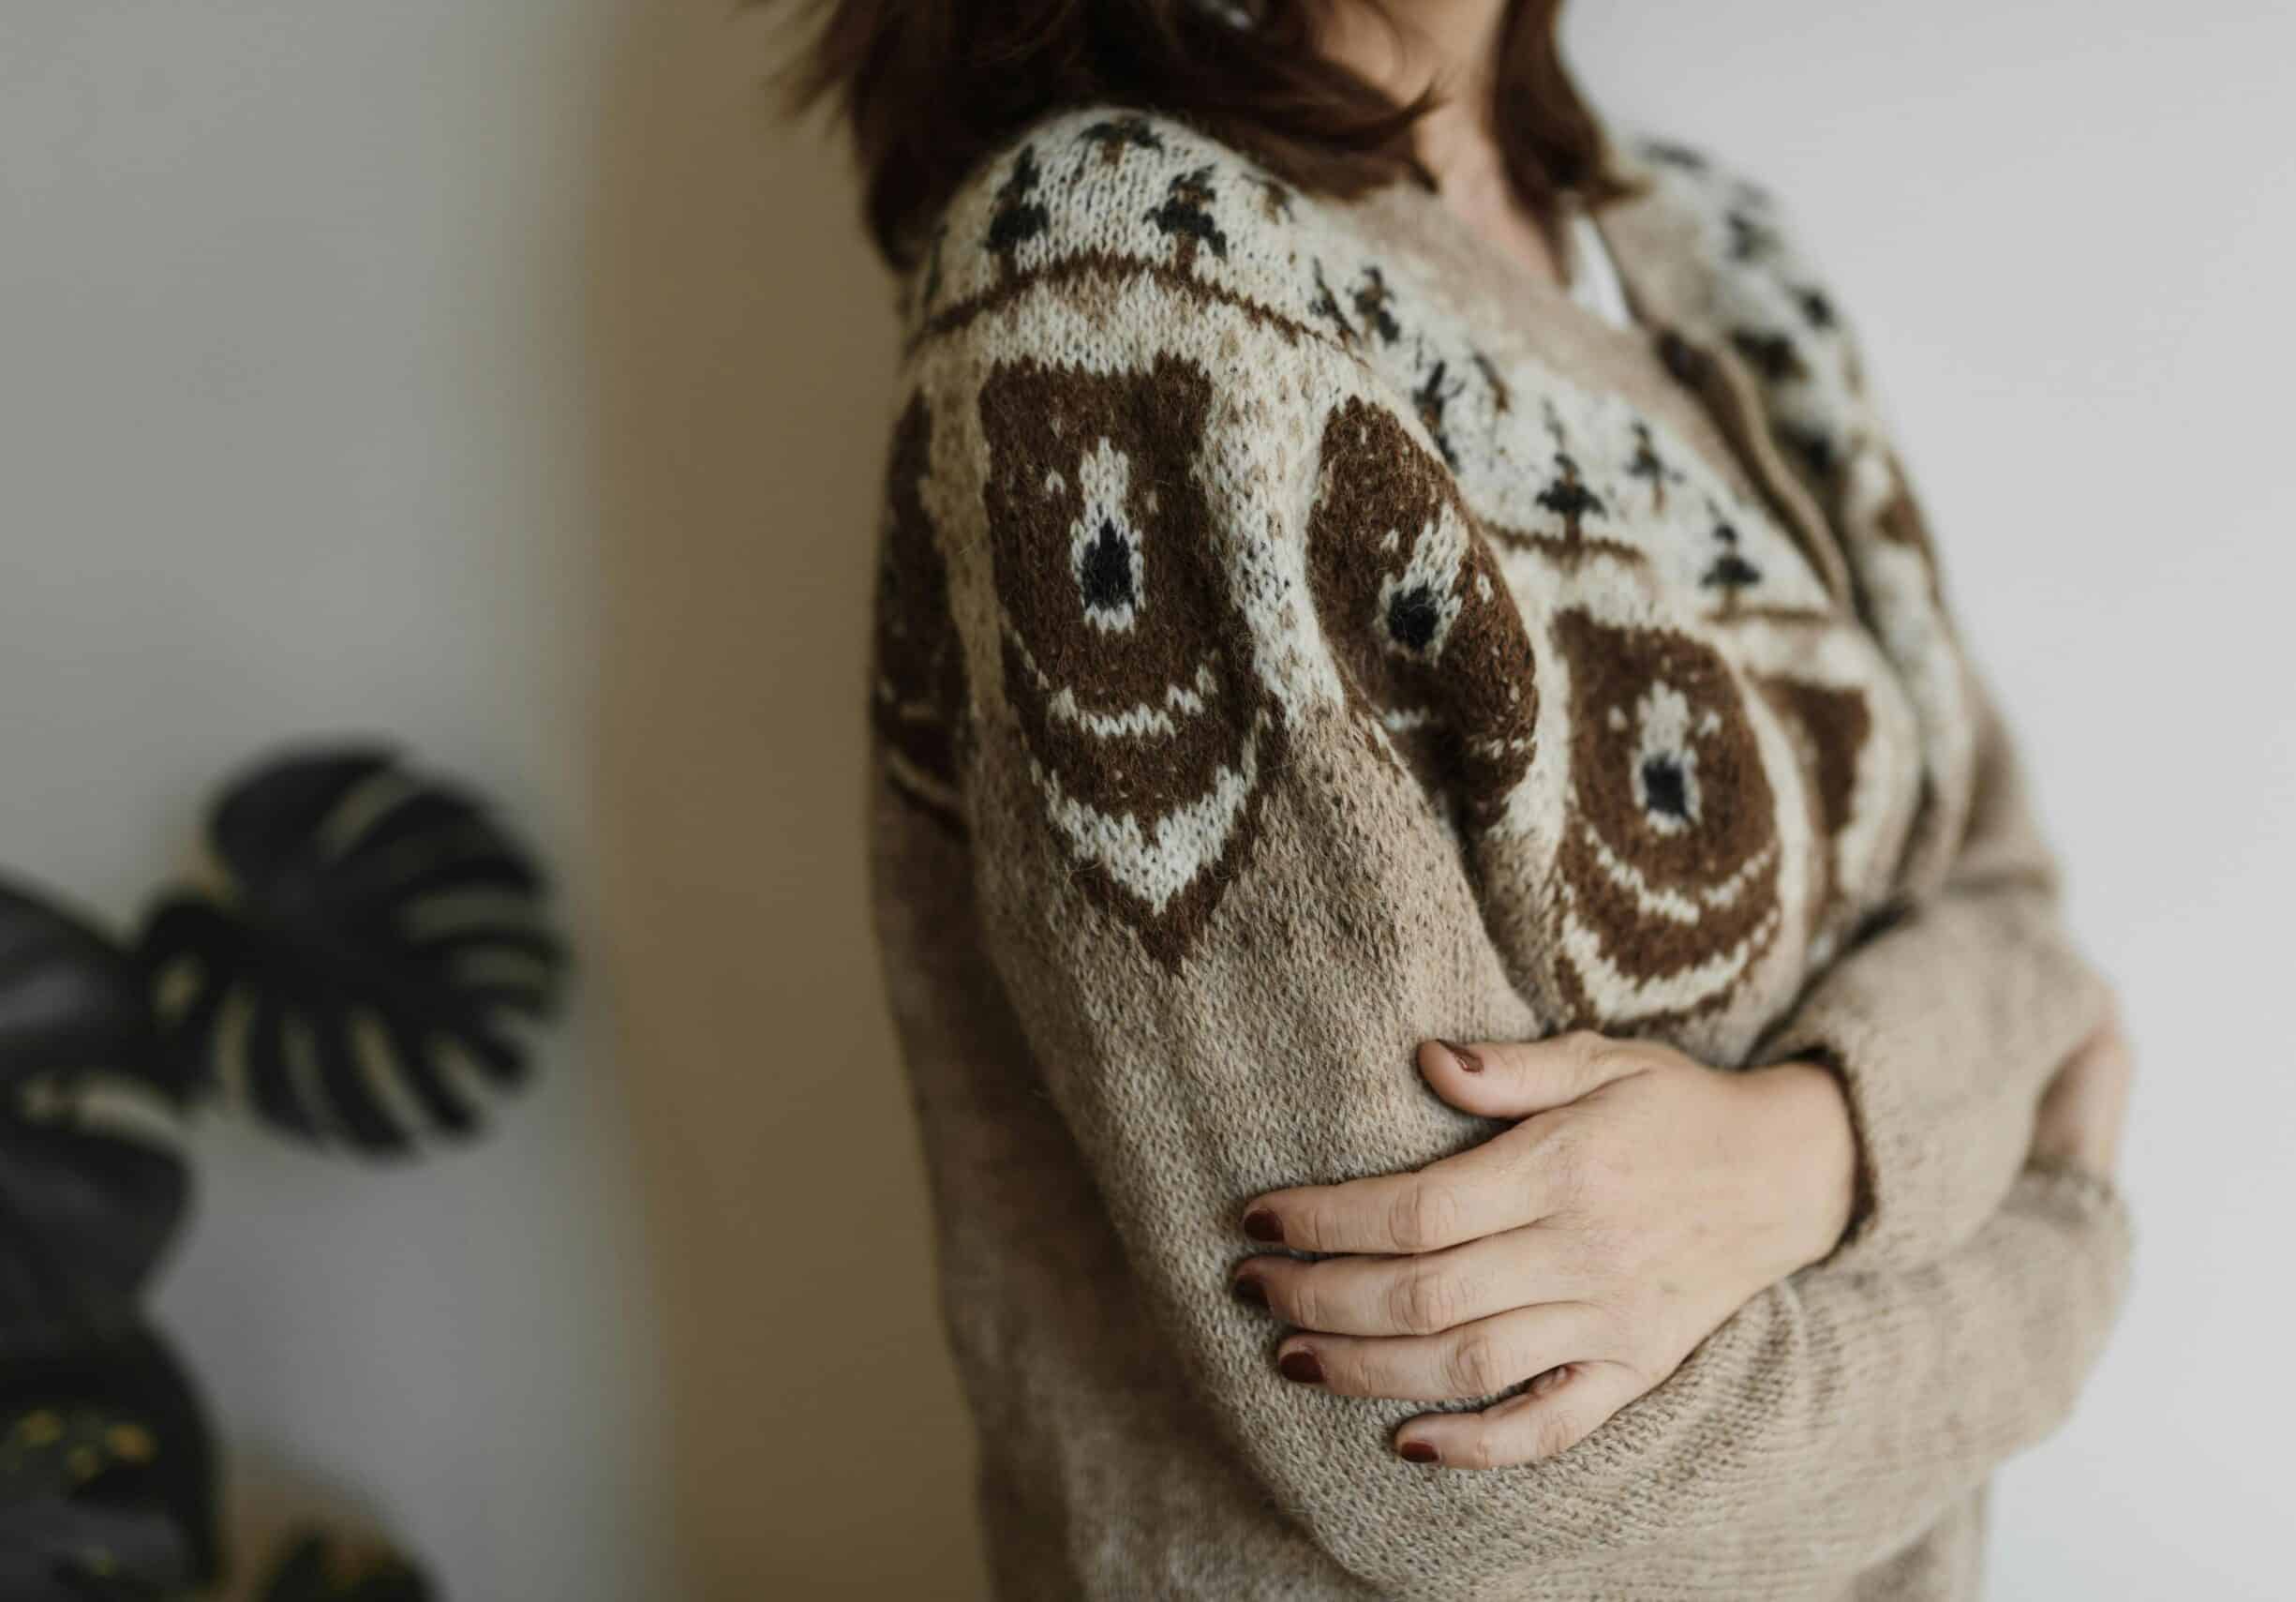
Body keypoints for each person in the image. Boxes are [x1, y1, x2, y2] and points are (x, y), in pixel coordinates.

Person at [813, 0, 2137, 1595]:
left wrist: (1814, 1149)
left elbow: (2017, 925)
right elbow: (1487, 1484)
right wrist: (2065, 1256)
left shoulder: (1716, 262)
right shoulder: (1118, 287)